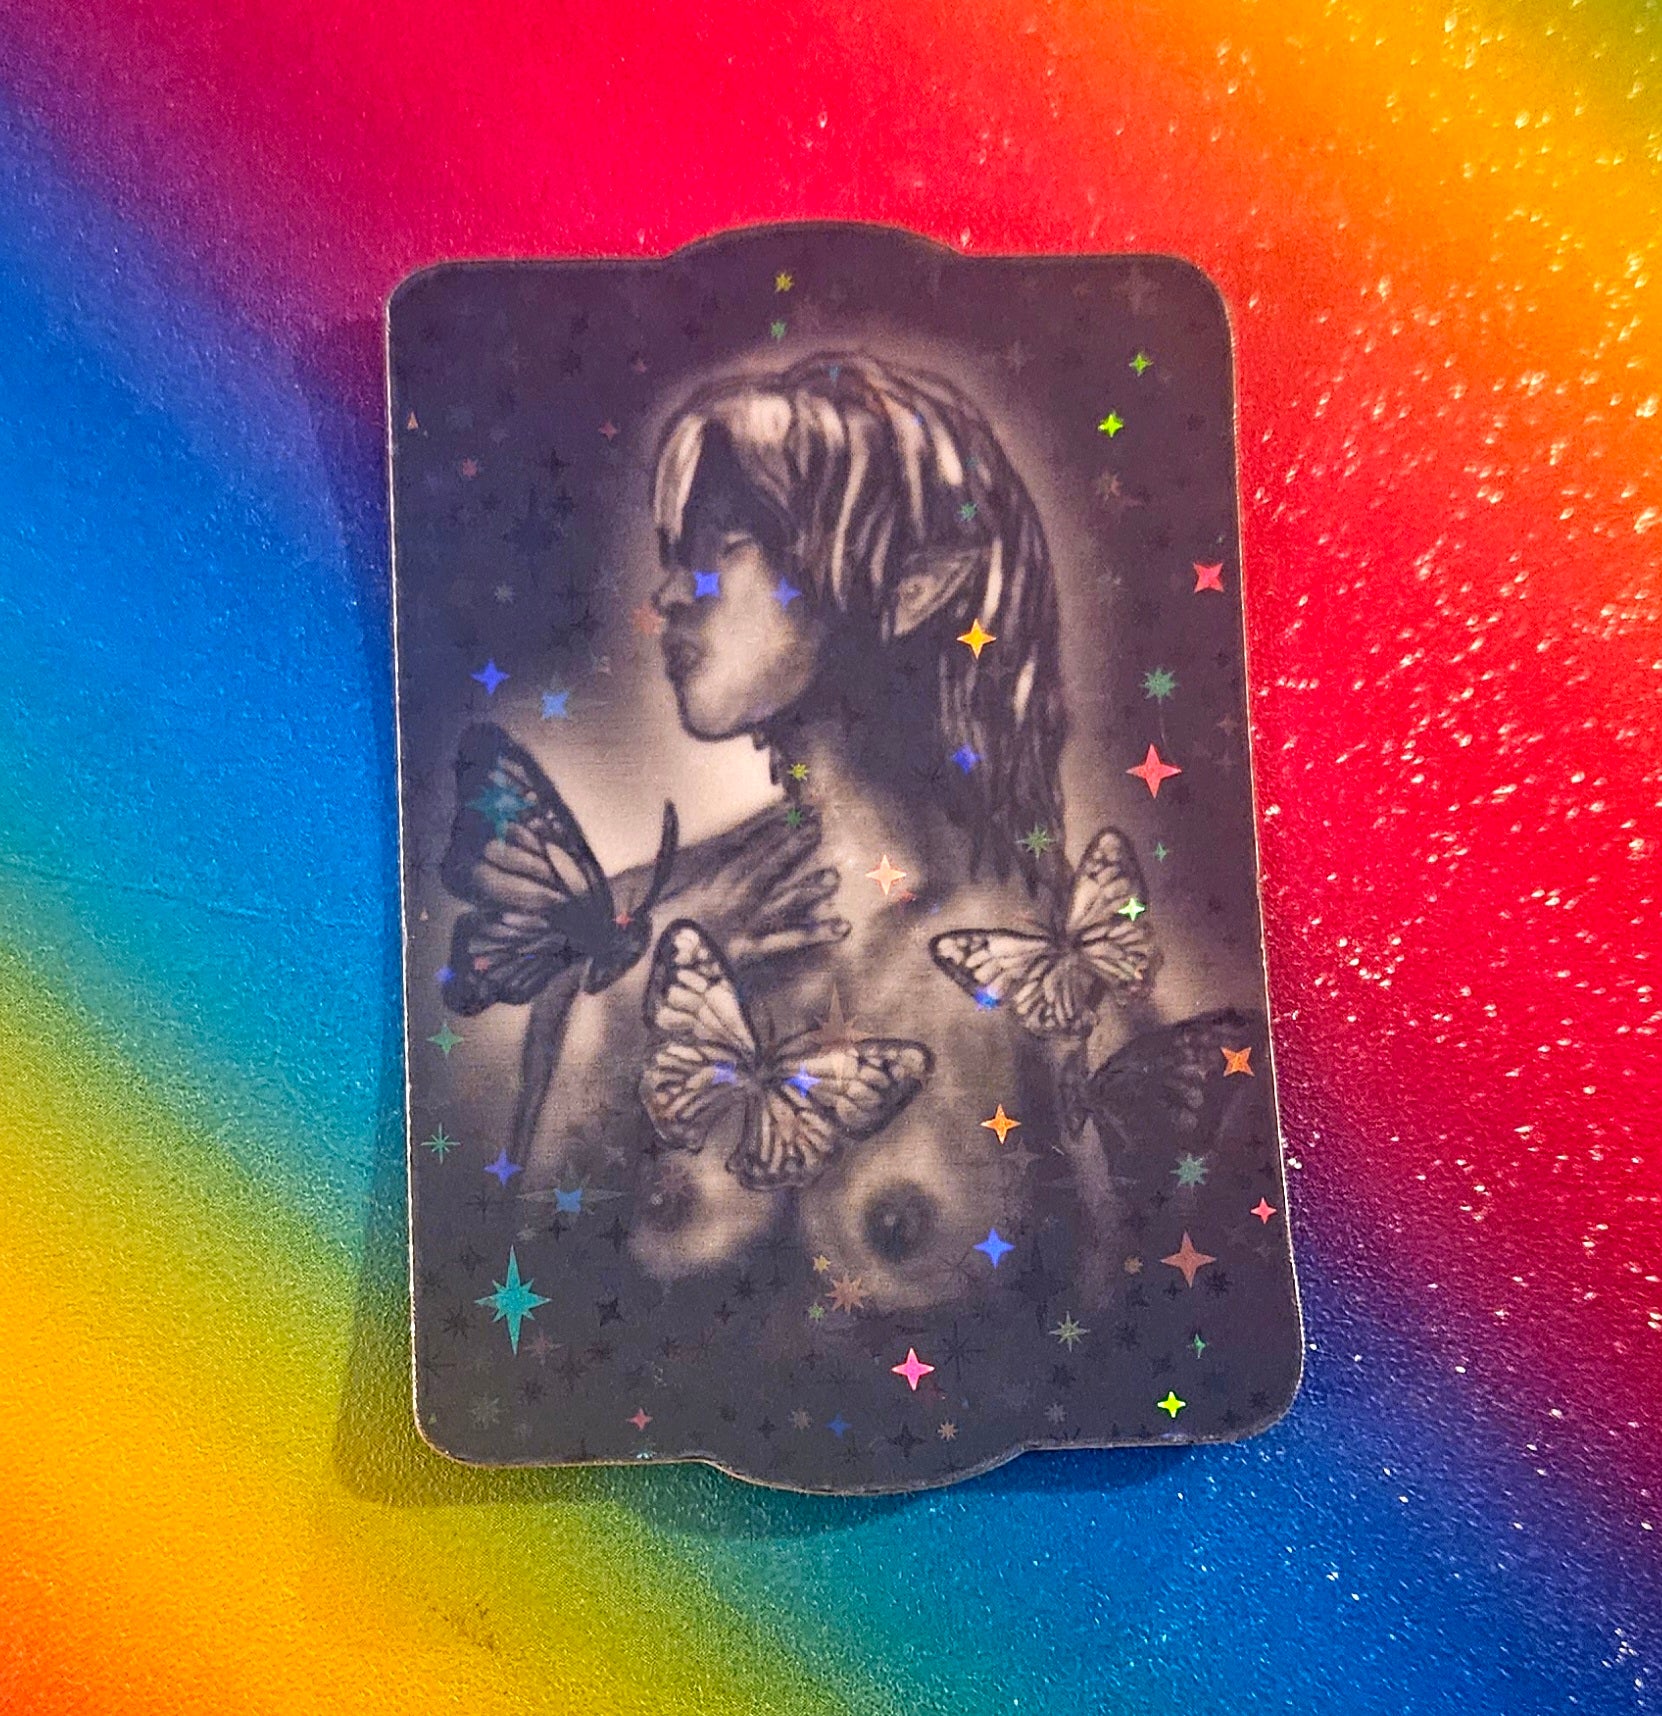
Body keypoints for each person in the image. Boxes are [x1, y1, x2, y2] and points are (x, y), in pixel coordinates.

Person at [509, 353, 1119, 1308]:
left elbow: (1142, 1340)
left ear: (918, 582)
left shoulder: (1045, 965)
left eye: (729, 543)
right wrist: (618, 1016)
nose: (670, 596)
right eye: (679, 551)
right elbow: (513, 1320)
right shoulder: (626, 938)